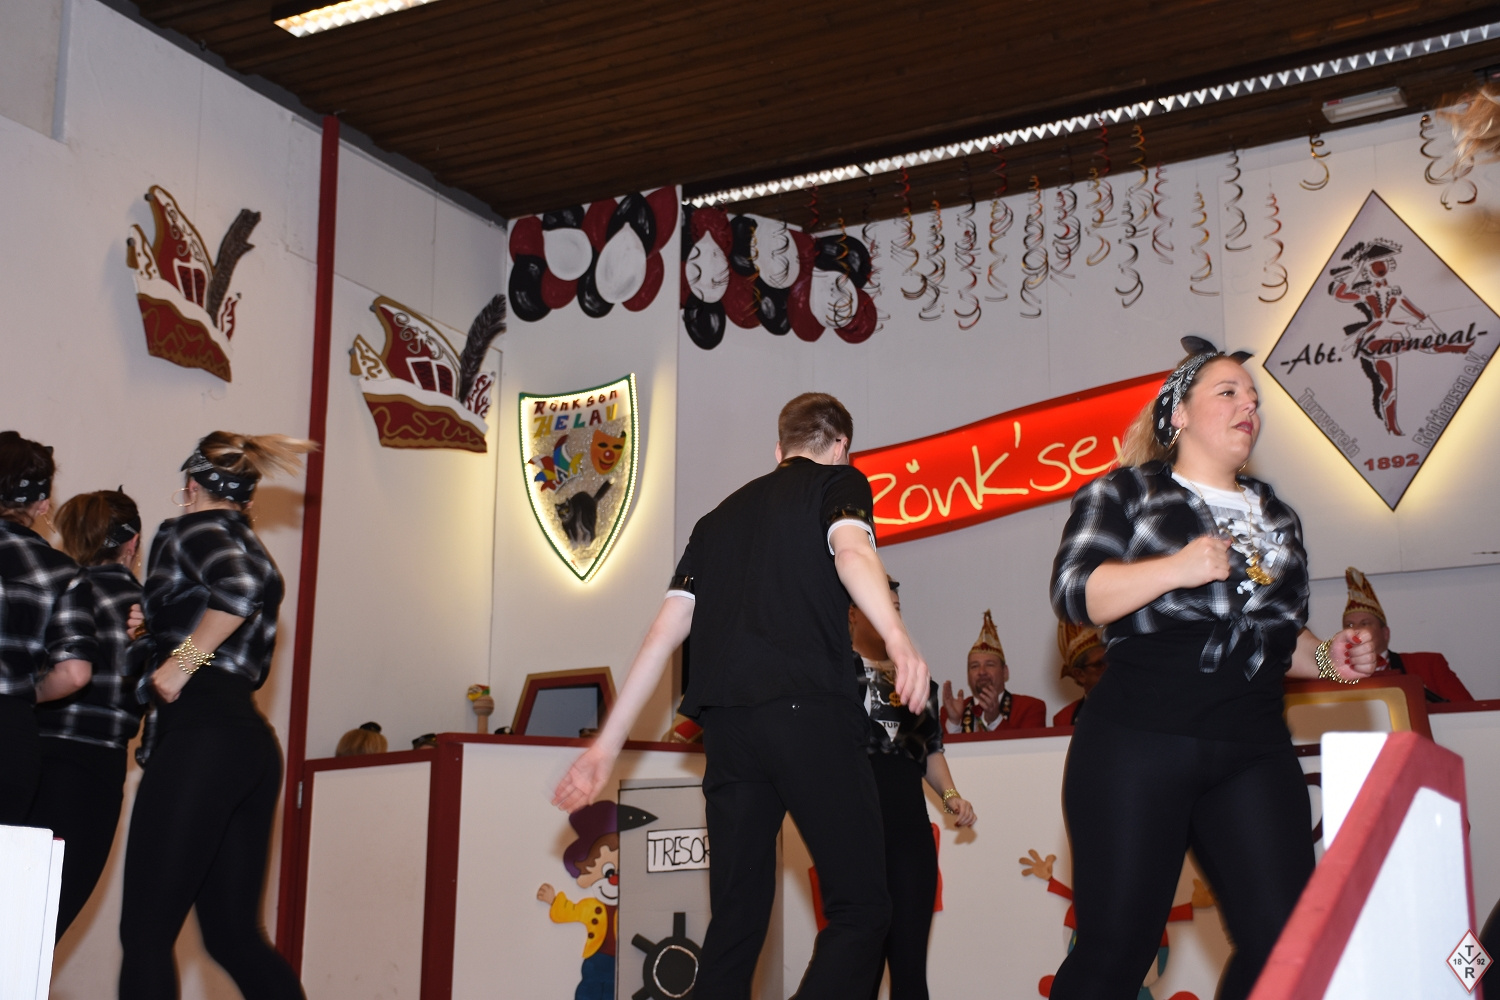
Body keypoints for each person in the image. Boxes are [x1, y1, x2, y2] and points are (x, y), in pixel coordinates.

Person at [552, 393, 930, 1000]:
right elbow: (853, 550)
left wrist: (606, 744)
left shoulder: (715, 520)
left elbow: (666, 629)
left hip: (728, 730)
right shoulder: (839, 482)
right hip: (809, 710)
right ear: (841, 447)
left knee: (735, 921)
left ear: (778, 450)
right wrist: (898, 638)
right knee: (862, 908)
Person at [1047, 337, 1379, 1000]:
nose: (1248, 406)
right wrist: (1177, 567)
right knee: (1116, 952)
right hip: (1139, 742)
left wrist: (1331, 659)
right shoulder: (1125, 491)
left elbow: (1283, 636)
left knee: (1287, 945)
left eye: (1253, 399)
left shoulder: (1278, 517)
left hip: (1252, 749)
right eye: (1228, 392)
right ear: (1179, 414)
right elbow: (1075, 592)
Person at [119, 431, 315, 1000]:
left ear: (192, 485)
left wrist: (180, 663)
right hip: (247, 742)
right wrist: (156, 631)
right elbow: (243, 590)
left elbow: (241, 587)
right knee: (233, 937)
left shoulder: (190, 529)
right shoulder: (244, 538)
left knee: (146, 935)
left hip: (201, 737)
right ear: (248, 497)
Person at [28, 489, 145, 938]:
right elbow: (191, 672)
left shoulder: (53, 586)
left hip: (28, 755)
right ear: (133, 542)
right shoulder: (148, 608)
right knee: (42, 930)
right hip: (95, 768)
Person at [850, 577, 975, 1000]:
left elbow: (930, 751)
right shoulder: (829, 676)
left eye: (897, 608)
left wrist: (951, 797)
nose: (892, 616)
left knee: (909, 969)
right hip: (855, 836)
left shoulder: (917, 679)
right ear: (853, 613)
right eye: (881, 606)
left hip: (910, 836)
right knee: (858, 971)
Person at [0, 431, 96, 824]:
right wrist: (28, 691)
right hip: (11, 732)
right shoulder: (63, 572)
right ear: (42, 504)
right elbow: (75, 673)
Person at [1342, 566, 1473, 703]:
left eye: (1365, 623)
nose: (1356, 630)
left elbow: (1466, 710)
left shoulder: (1428, 665)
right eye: (1349, 625)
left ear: (1385, 633)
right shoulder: (1333, 676)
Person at [941, 610, 1045, 733]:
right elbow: (940, 746)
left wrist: (995, 720)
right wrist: (954, 722)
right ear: (968, 675)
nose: (982, 671)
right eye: (974, 666)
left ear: (1005, 672)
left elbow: (1028, 746)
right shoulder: (949, 712)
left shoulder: (1030, 707)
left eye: (989, 665)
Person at [1052, 620, 1106, 727]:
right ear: (1079, 675)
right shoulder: (1065, 718)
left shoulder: (1136, 704)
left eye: (1110, 660)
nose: (1108, 667)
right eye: (1099, 664)